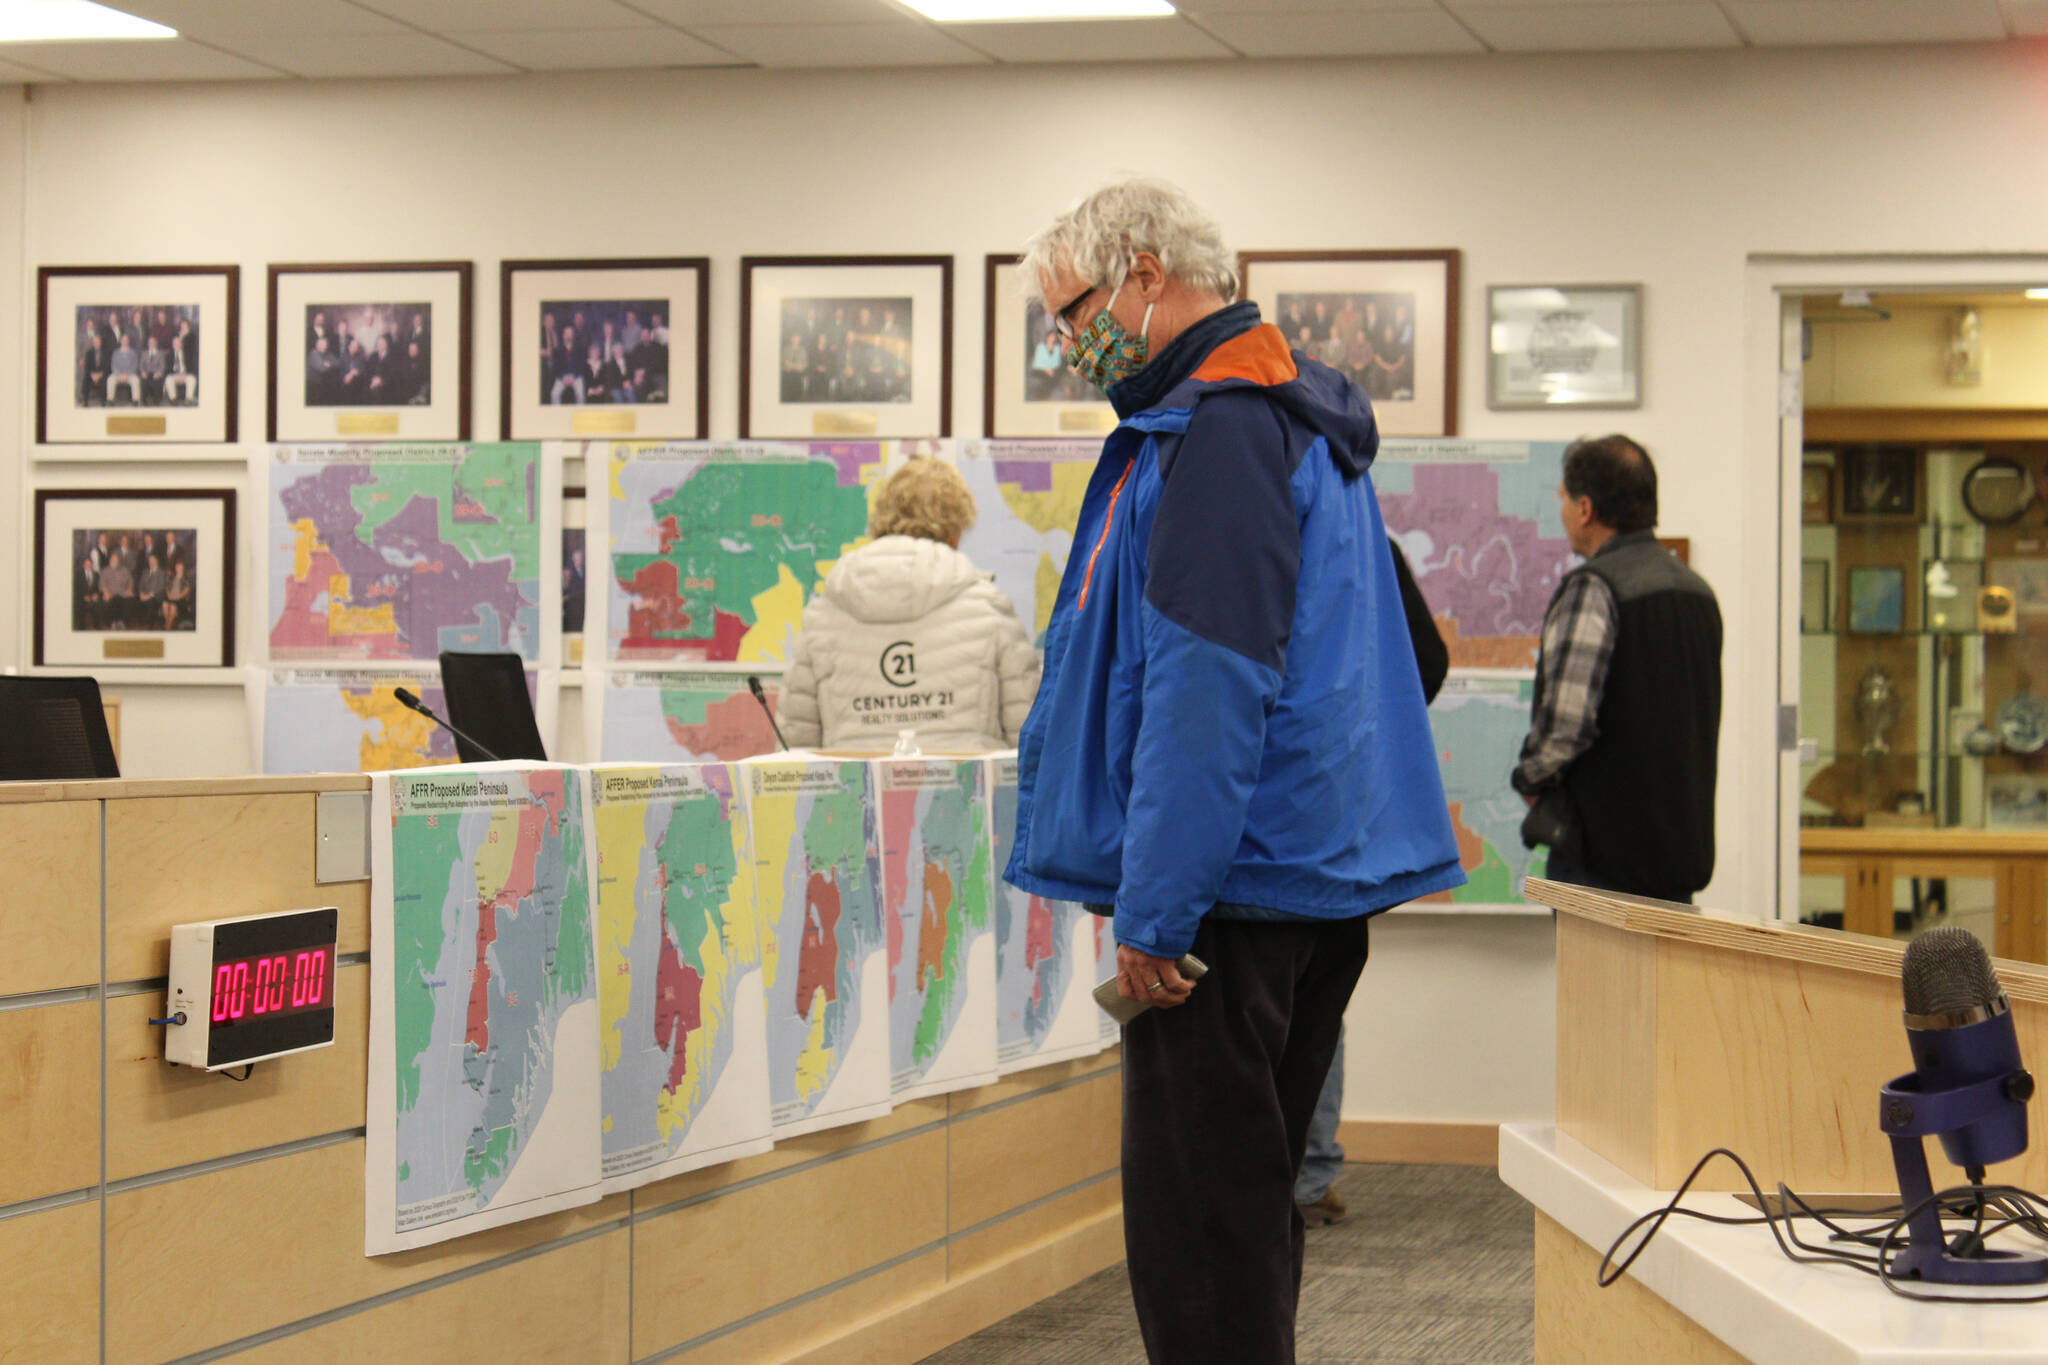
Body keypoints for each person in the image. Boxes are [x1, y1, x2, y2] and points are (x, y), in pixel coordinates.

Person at [1004, 179, 1463, 1364]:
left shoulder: (1217, 434)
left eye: (1072, 311)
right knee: (1246, 1212)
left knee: (1197, 1234)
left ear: (1146, 276)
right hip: (1305, 889)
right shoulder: (1306, 425)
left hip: (1224, 905)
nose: (1065, 342)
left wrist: (1156, 913)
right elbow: (1416, 655)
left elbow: (1204, 695)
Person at [1293, 537, 1448, 1228]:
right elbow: (1428, 659)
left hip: (1267, 823)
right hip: (1337, 814)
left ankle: (1283, 1177)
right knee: (1319, 993)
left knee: (1278, 996)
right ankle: (1309, 1171)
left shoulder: (1242, 521)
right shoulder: (1364, 532)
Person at [1513, 434, 1722, 901]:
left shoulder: (1593, 588)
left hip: (1602, 866)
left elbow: (1565, 725)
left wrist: (1530, 780)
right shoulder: (1698, 594)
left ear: (1585, 509)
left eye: (1563, 497)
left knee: (1595, 980)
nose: (1560, 507)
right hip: (1677, 864)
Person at [781, 457, 1039, 753]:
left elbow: (795, 749)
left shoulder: (823, 614)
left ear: (880, 520)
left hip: (852, 797)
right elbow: (1029, 737)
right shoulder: (989, 607)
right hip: (968, 797)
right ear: (956, 529)